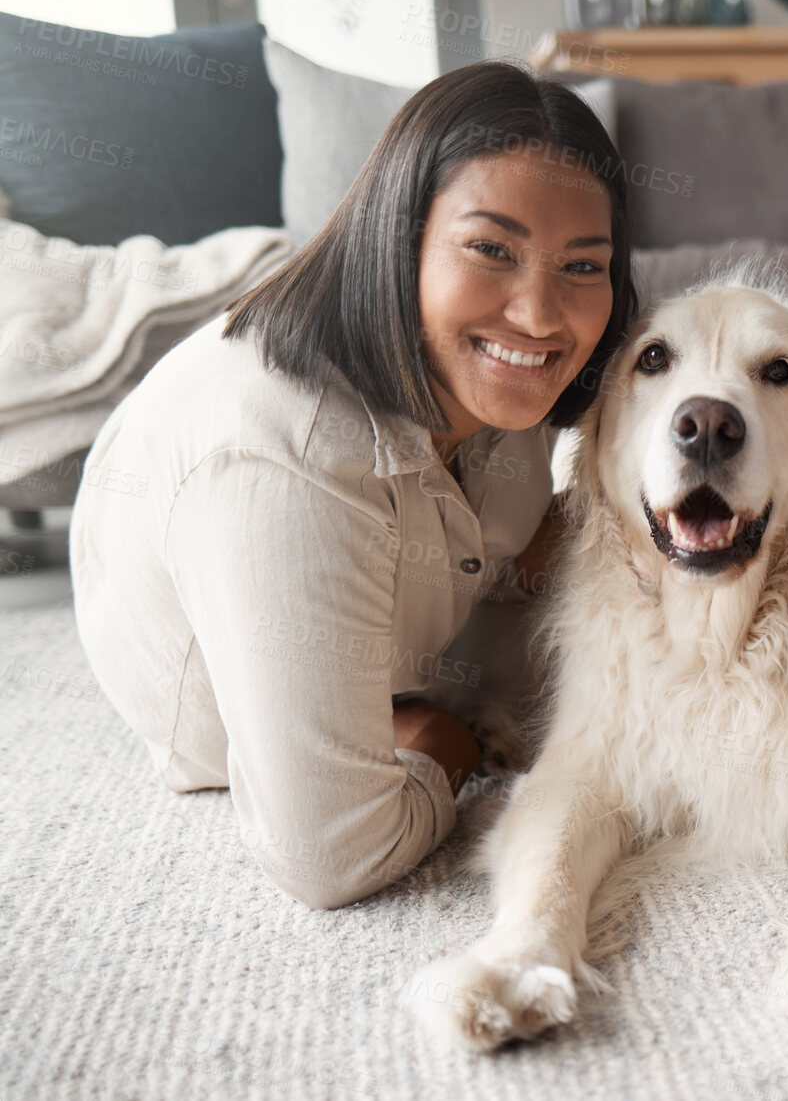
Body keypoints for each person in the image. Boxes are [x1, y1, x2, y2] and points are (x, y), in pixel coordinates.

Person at [68, 61, 639, 909]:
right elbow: (330, 857)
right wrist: (443, 742)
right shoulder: (282, 464)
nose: (541, 315)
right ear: (398, 237)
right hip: (232, 712)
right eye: (491, 250)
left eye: (584, 267)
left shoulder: (501, 385)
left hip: (417, 629)